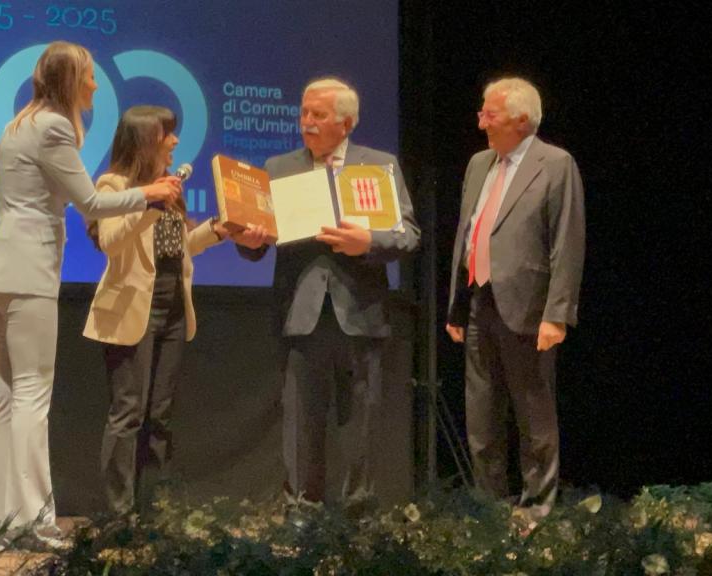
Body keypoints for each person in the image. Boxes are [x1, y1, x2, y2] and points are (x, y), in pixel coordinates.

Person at [0, 42, 181, 543]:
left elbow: (1, 210)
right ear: (70, 80)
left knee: (8, 397)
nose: (95, 86)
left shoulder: (17, 126)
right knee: (32, 396)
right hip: (27, 274)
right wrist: (151, 192)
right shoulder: (54, 126)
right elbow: (90, 201)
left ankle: (1, 522)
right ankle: (33, 523)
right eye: (89, 77)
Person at [235, 77, 419, 508]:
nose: (307, 123)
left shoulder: (378, 165)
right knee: (300, 424)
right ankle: (302, 514)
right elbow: (258, 246)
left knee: (360, 427)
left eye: (318, 115)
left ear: (347, 122)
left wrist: (368, 242)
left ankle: (357, 518)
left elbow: (408, 235)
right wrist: (252, 242)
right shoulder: (280, 167)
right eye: (304, 113)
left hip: (359, 314)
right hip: (301, 314)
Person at [81, 105, 235, 514]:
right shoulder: (114, 185)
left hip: (173, 306)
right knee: (128, 413)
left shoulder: (168, 187)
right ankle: (118, 515)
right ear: (148, 139)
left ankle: (155, 512)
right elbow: (112, 241)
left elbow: (179, 246)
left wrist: (218, 231)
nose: (176, 142)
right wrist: (149, 202)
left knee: (160, 415)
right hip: (133, 305)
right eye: (168, 133)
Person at [445, 77, 585, 517]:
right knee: (481, 420)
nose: (481, 120)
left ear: (521, 120)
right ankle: (491, 510)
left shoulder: (555, 164)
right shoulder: (477, 164)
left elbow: (568, 241)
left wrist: (557, 314)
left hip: (529, 308)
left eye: (490, 113)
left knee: (533, 417)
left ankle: (537, 511)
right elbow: (467, 234)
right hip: (478, 302)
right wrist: (456, 303)